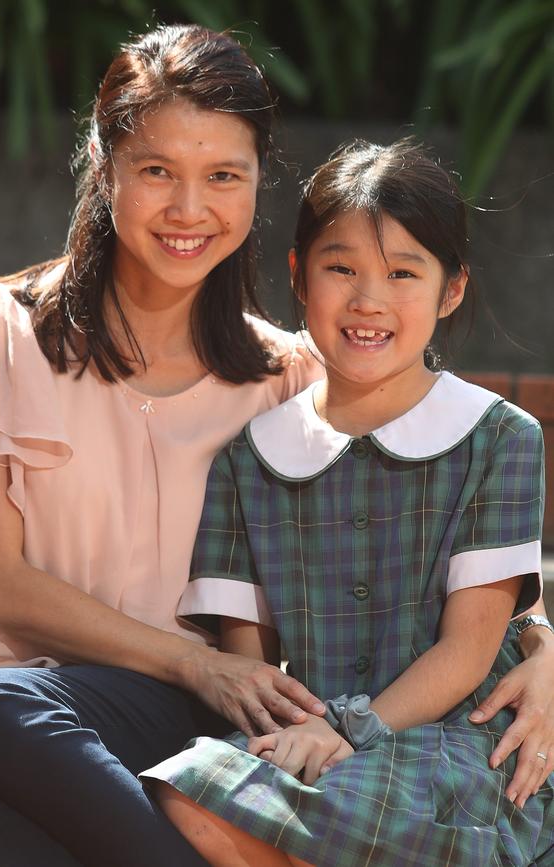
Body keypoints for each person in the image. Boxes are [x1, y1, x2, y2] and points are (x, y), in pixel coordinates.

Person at [0, 23, 551, 866]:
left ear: (255, 186)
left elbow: (466, 539)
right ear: (104, 168)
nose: (188, 209)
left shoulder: (289, 375)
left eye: (222, 177)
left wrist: (547, 658)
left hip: (185, 715)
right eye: (157, 172)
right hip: (1, 692)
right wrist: (193, 660)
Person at [143, 139, 554, 866]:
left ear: (450, 289)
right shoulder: (249, 456)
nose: (369, 300)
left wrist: (347, 728)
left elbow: (467, 653)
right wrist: (299, 733)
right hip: (315, 740)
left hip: (452, 743)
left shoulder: (500, 438)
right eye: (342, 268)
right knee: (186, 793)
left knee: (337, 812)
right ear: (299, 276)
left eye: (403, 273)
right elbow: (252, 665)